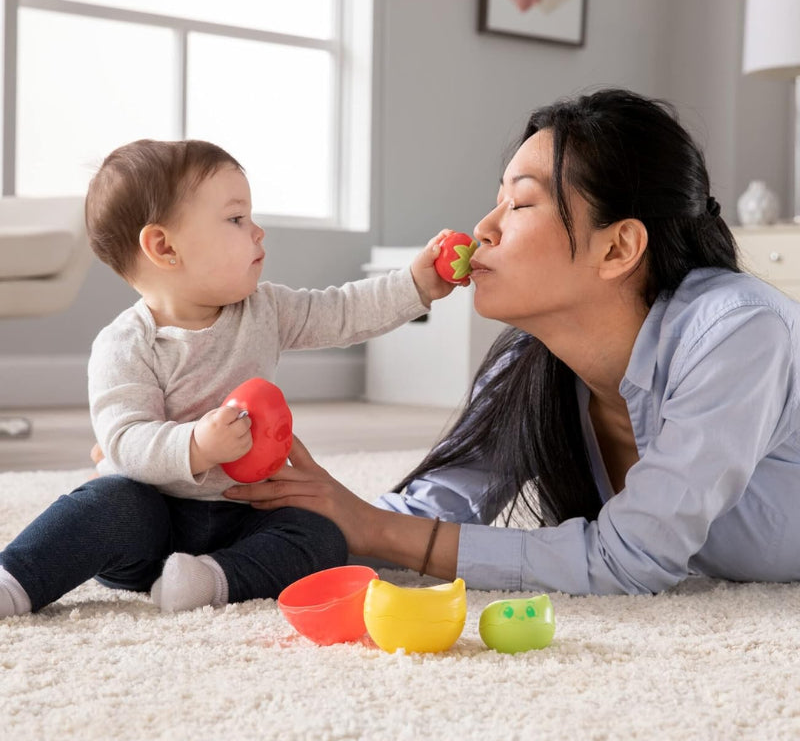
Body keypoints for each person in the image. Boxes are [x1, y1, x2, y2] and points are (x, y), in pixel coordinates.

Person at [223, 88, 800, 596]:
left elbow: (631, 560)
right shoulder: (533, 360)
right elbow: (434, 509)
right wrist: (253, 523)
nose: (483, 229)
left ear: (618, 248)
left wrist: (375, 530)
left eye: (520, 203)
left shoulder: (738, 334)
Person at [0, 138, 456, 618]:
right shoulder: (126, 343)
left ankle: (212, 580)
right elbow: (124, 440)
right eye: (237, 219)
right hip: (149, 520)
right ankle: (17, 579)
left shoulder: (266, 310)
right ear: (164, 246)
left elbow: (343, 311)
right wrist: (196, 445)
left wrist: (414, 284)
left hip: (245, 512)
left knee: (321, 537)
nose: (258, 232)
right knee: (104, 505)